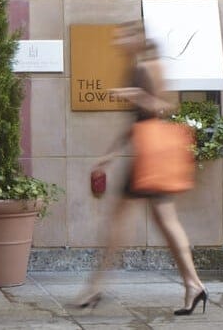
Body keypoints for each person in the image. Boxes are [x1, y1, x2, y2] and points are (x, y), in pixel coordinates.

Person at [75, 21, 207, 315]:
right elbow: (136, 122)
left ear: (138, 38)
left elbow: (167, 108)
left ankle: (95, 287)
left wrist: (136, 96)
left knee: (123, 225)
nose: (119, 40)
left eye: (125, 35)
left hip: (151, 155)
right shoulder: (137, 66)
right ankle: (193, 285)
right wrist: (109, 155)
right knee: (159, 222)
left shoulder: (149, 66)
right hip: (145, 155)